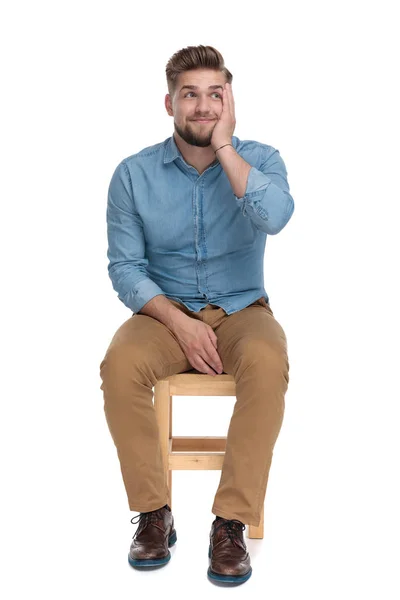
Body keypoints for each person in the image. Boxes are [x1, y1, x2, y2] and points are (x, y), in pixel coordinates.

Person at [99, 44, 294, 585]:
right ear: (170, 104)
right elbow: (125, 267)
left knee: (266, 362)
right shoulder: (133, 174)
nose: (203, 106)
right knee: (119, 365)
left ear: (229, 102)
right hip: (164, 312)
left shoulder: (262, 158)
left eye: (216, 95)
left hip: (242, 307)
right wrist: (179, 323)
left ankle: (230, 521)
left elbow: (275, 217)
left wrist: (226, 146)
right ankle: (154, 512)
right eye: (191, 95)